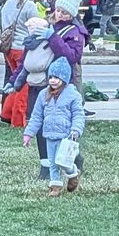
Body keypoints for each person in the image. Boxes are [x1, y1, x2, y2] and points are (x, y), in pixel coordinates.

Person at [24, 57, 86, 192]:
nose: (52, 80)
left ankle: (73, 174)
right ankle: (55, 187)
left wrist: (76, 130)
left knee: (63, 162)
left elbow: (78, 115)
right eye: (50, 77)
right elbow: (36, 116)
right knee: (52, 163)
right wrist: (29, 133)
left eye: (56, 77)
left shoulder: (73, 95)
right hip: (49, 135)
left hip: (66, 136)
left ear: (64, 78)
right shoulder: (43, 94)